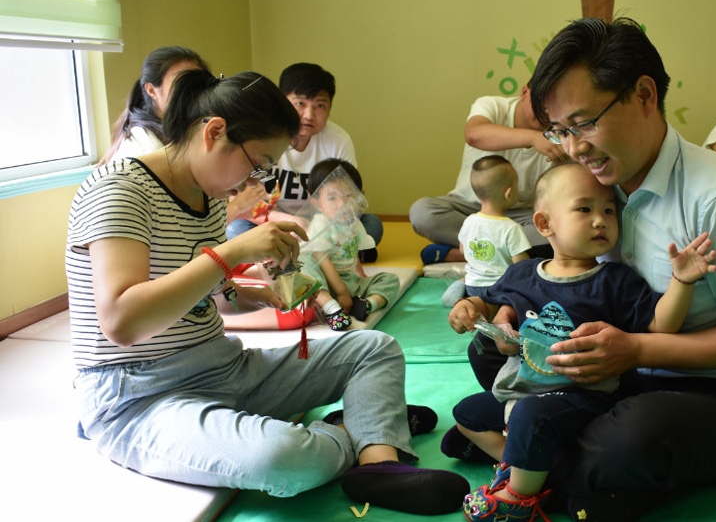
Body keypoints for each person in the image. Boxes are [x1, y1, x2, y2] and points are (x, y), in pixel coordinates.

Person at [65, 68, 468, 515]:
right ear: (214, 133)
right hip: (140, 396)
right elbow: (122, 321)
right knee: (284, 458)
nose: (253, 181)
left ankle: (378, 462)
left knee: (374, 347)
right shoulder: (119, 189)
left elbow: (207, 299)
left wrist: (254, 294)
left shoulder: (207, 196)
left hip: (221, 366)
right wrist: (232, 251)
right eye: (257, 163)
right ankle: (361, 427)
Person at [460, 16, 716, 521]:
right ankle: (557, 464)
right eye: (560, 131)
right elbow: (571, 282)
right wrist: (512, 314)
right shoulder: (597, 181)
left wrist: (636, 349)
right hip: (620, 378)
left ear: (643, 95)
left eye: (584, 123)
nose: (573, 148)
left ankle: (522, 453)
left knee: (633, 438)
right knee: (488, 346)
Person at [446, 162, 716, 521]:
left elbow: (661, 324)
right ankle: (530, 469)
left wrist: (681, 282)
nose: (600, 220)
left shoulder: (614, 280)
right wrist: (468, 307)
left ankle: (518, 500)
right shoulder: (522, 273)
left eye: (609, 211)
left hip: (586, 395)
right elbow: (489, 301)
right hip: (524, 388)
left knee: (529, 416)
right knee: (466, 415)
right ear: (545, 224)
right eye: (585, 209)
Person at [226, 63, 383, 260]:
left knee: (372, 224)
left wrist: (319, 225)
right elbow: (243, 206)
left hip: (323, 223)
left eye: (320, 106)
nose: (309, 115)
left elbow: (348, 196)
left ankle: (296, 254)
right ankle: (335, 255)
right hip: (272, 221)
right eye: (300, 103)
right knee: (236, 228)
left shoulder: (339, 141)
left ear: (330, 108)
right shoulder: (261, 137)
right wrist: (290, 221)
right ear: (282, 102)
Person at [409, 84, 569, 264]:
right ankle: (507, 252)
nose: (546, 112)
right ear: (524, 92)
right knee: (422, 212)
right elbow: (473, 134)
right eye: (541, 103)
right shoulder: (492, 106)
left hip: (520, 215)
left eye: (554, 106)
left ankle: (464, 254)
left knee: (561, 230)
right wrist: (533, 137)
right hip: (469, 208)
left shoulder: (561, 129)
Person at [300, 159, 400, 331]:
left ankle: (367, 305)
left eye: (348, 195)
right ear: (317, 204)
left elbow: (353, 251)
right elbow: (322, 259)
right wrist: (341, 293)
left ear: (360, 196)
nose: (342, 204)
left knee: (390, 280)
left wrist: (360, 277)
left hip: (351, 283)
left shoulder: (354, 222)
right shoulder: (321, 223)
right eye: (332, 198)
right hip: (326, 284)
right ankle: (331, 308)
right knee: (302, 263)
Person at [440, 155, 532, 307]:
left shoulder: (469, 221)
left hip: (473, 286)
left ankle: (463, 290)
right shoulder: (511, 228)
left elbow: (463, 250)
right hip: (501, 289)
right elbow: (521, 265)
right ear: (508, 193)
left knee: (474, 288)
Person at [101, 46, 209, 164]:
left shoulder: (193, 128)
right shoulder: (145, 150)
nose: (192, 90)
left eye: (197, 82)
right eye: (181, 82)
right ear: (151, 90)